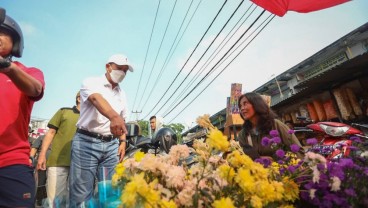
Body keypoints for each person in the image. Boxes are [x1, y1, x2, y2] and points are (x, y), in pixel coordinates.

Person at [69, 54, 132, 206]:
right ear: (108, 66)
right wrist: (113, 117)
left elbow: (122, 120)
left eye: (125, 71)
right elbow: (96, 99)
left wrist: (122, 141)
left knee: (110, 192)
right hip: (86, 143)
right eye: (119, 69)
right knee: (81, 194)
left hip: (111, 146)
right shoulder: (91, 82)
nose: (122, 73)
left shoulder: (122, 94)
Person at [0, 8, 45, 207]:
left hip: (11, 162)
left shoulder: (28, 72)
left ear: (15, 41)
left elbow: (36, 89)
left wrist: (7, 68)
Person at [37, 92, 81, 204]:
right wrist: (42, 155)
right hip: (58, 162)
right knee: (54, 200)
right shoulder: (64, 112)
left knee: (76, 200)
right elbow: (51, 133)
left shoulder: (92, 117)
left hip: (80, 164)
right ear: (79, 99)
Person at [237, 92, 303, 160]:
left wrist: (276, 161)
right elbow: (244, 159)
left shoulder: (276, 125)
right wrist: (259, 159)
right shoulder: (243, 135)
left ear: (256, 104)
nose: (242, 108)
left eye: (245, 104)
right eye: (240, 106)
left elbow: (299, 151)